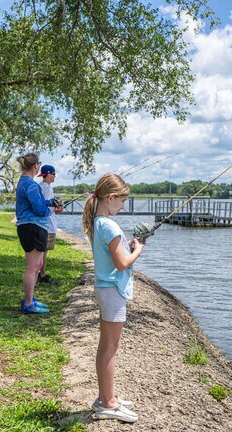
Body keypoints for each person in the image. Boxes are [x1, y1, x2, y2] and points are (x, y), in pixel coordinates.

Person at [82, 173, 144, 423]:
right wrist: (138, 249)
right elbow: (121, 264)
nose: (123, 206)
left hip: (105, 289)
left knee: (106, 345)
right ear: (110, 197)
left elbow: (114, 256)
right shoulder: (109, 224)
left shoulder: (99, 222)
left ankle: (106, 397)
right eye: (122, 201)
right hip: (112, 291)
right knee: (110, 347)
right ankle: (108, 404)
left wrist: (126, 247)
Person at [15, 153, 56, 314]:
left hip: (31, 227)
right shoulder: (31, 185)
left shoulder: (25, 182)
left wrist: (50, 202)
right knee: (32, 267)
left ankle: (30, 298)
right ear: (36, 166)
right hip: (33, 227)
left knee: (37, 265)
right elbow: (39, 210)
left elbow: (38, 203)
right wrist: (51, 209)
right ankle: (28, 303)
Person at [37, 164, 63, 285]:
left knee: (41, 252)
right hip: (48, 224)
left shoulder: (40, 186)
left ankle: (39, 273)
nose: (54, 177)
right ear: (48, 175)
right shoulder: (47, 188)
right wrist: (58, 209)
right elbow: (48, 206)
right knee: (44, 252)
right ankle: (41, 275)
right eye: (53, 174)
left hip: (42, 223)